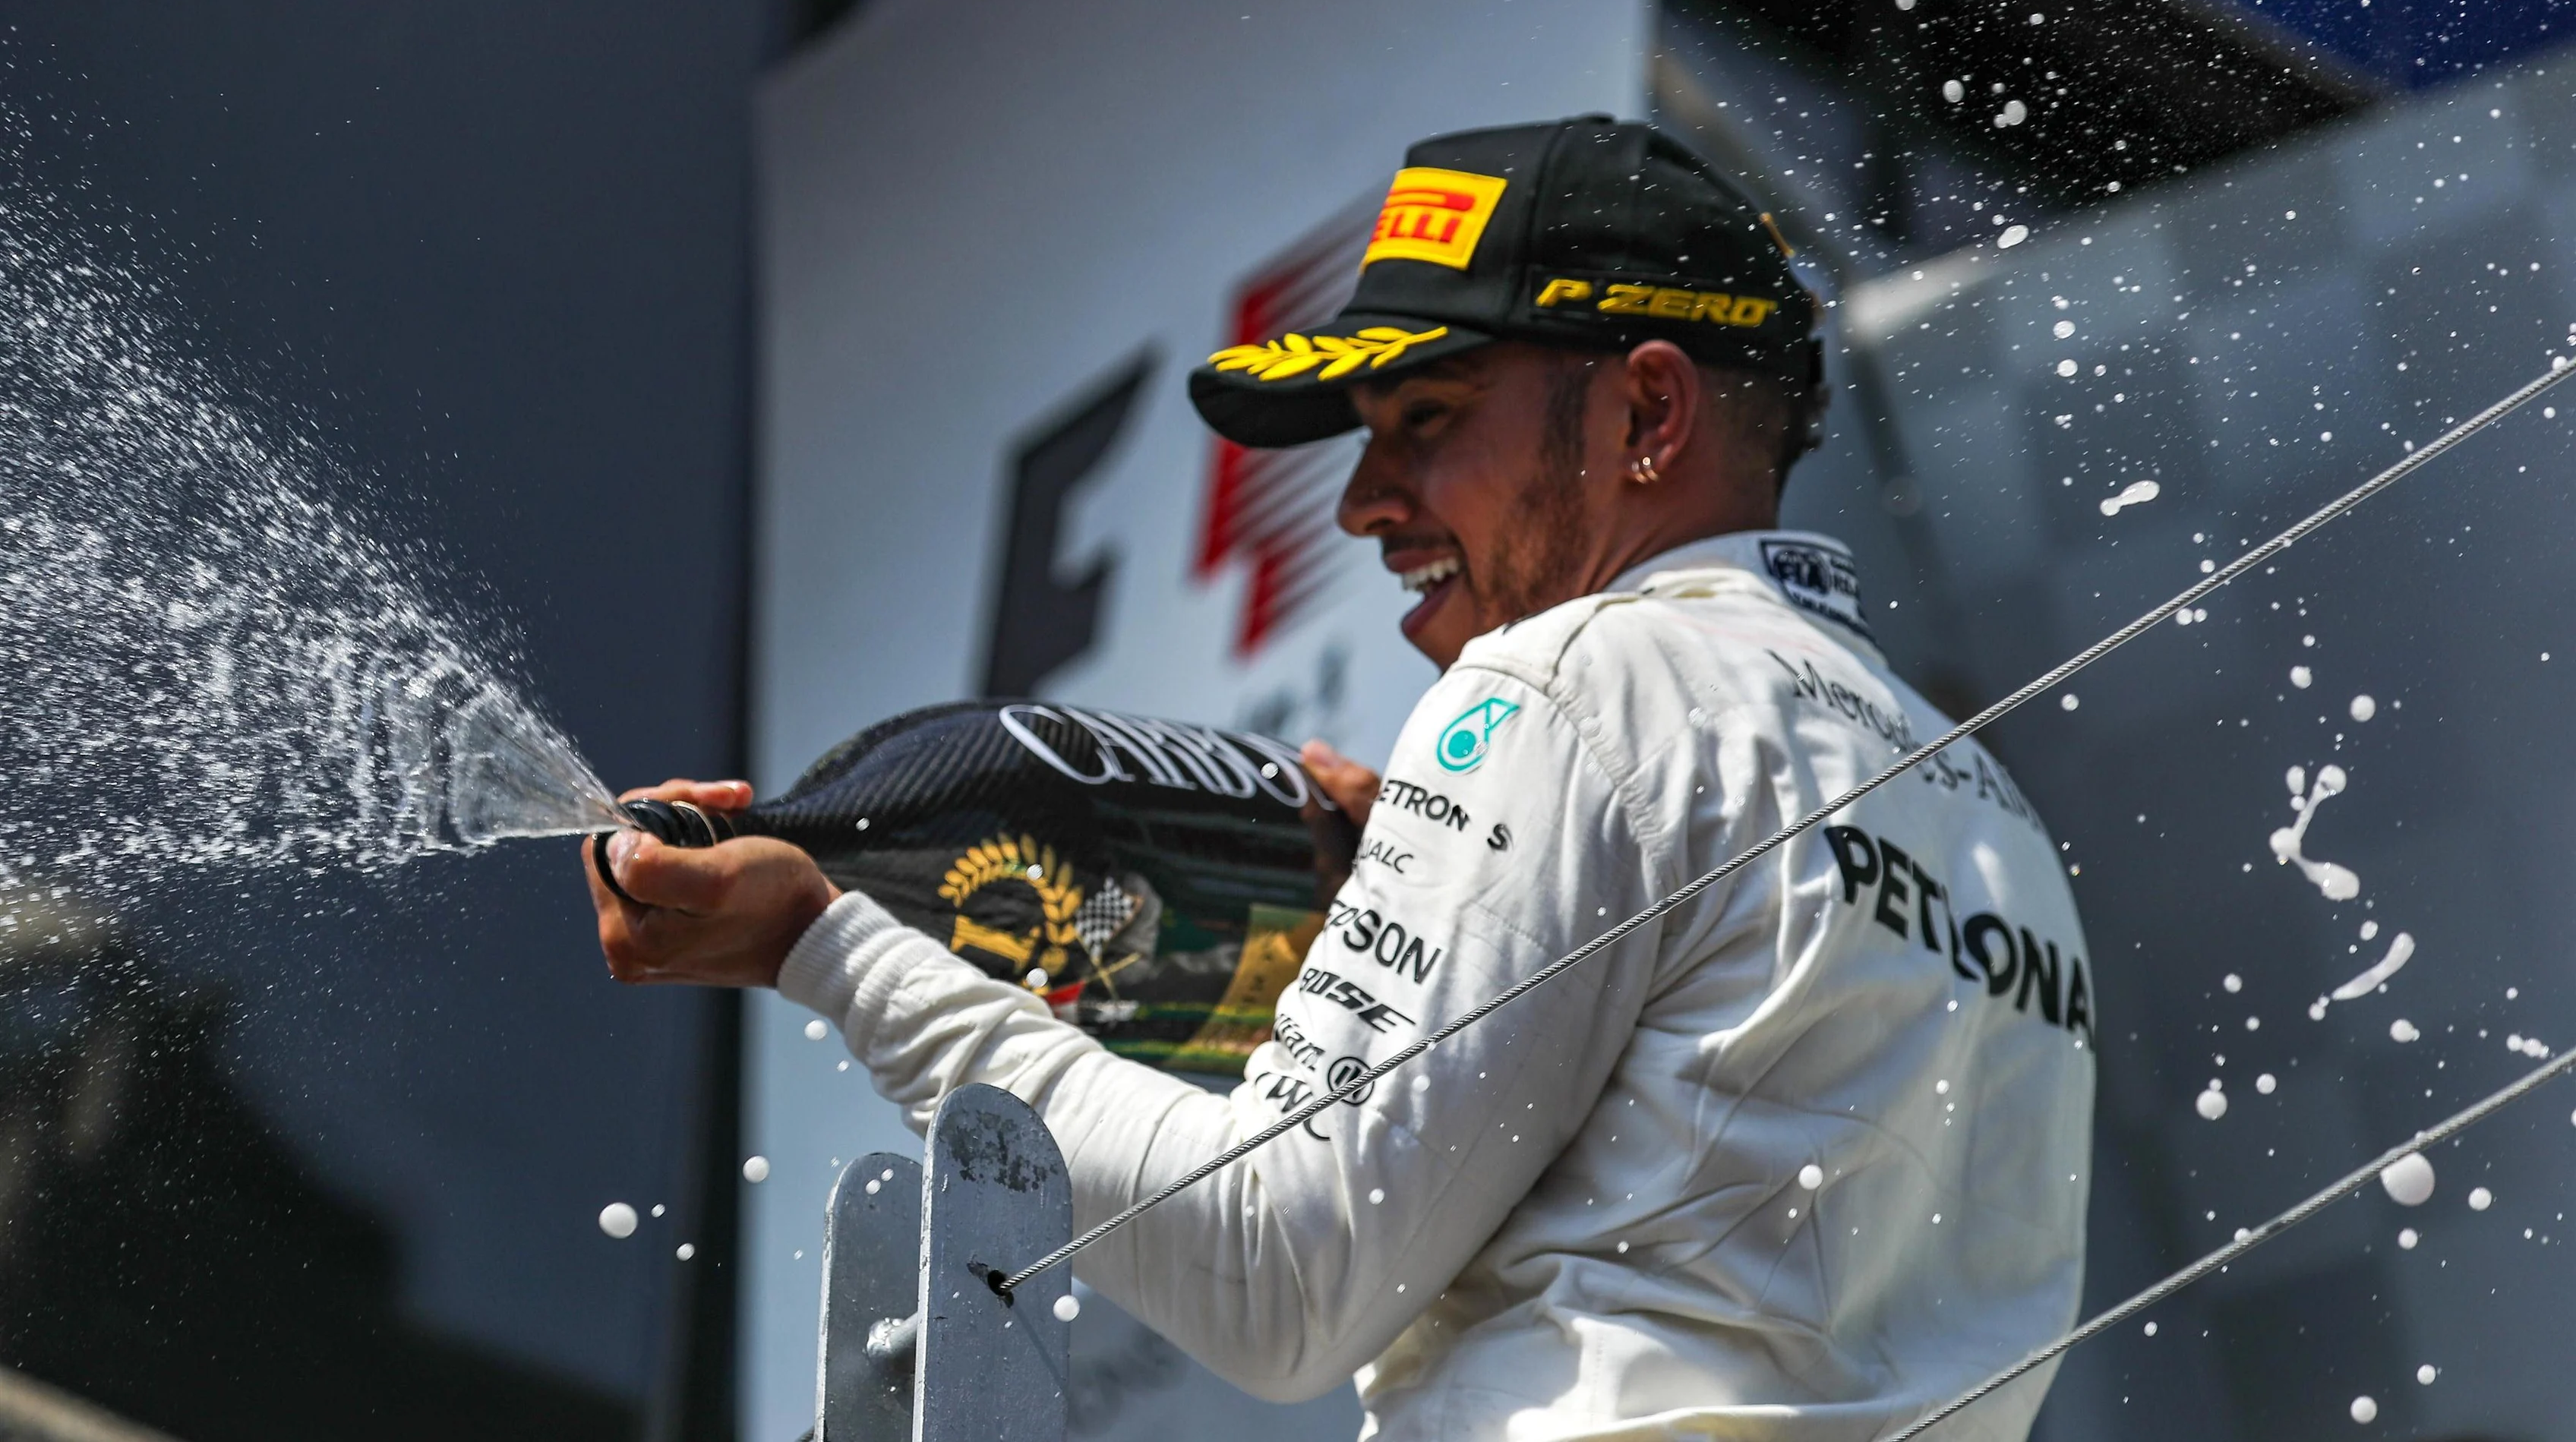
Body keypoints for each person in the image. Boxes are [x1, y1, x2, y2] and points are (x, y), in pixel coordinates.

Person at [587, 115, 2095, 1440]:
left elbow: (1273, 1273)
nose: (1367, 505)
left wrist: (827, 951)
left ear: (1647, 414)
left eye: (1427, 423)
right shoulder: (1989, 816)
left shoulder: (1569, 680)